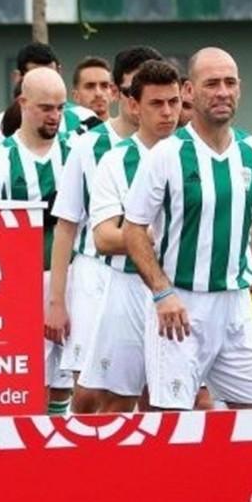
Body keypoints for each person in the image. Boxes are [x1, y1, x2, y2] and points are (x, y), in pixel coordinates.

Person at [121, 47, 252, 411]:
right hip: (181, 306)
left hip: (237, 307)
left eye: (230, 82)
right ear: (190, 92)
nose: (222, 91)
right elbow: (133, 230)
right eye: (211, 83)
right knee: (173, 424)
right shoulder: (166, 154)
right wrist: (162, 293)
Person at [50, 46, 163, 413]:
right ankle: (79, 448)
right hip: (95, 273)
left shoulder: (170, 147)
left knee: (151, 383)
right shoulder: (88, 146)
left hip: (152, 277)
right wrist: (56, 301)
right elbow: (66, 225)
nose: (137, 101)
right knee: (87, 389)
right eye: (130, 91)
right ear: (119, 94)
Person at [80, 59, 182, 413]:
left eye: (174, 102)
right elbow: (104, 237)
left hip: (184, 292)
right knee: (116, 402)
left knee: (186, 400)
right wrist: (148, 236)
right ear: (134, 105)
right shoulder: (116, 160)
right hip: (128, 290)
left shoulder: (193, 152)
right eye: (157, 103)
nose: (168, 113)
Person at [0, 67, 73, 414]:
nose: (55, 116)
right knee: (34, 380)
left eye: (61, 107)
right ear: (23, 103)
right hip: (24, 284)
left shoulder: (76, 152)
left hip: (76, 278)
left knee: (70, 380)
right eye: (46, 108)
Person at [0, 42, 98, 153]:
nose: (45, 82)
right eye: (37, 76)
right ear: (18, 78)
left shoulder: (85, 119)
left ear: (60, 73)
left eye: (51, 74)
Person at [70, 56, 114, 122]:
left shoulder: (128, 132)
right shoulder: (65, 132)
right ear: (76, 96)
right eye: (90, 86)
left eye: (104, 86)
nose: (98, 93)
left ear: (112, 93)